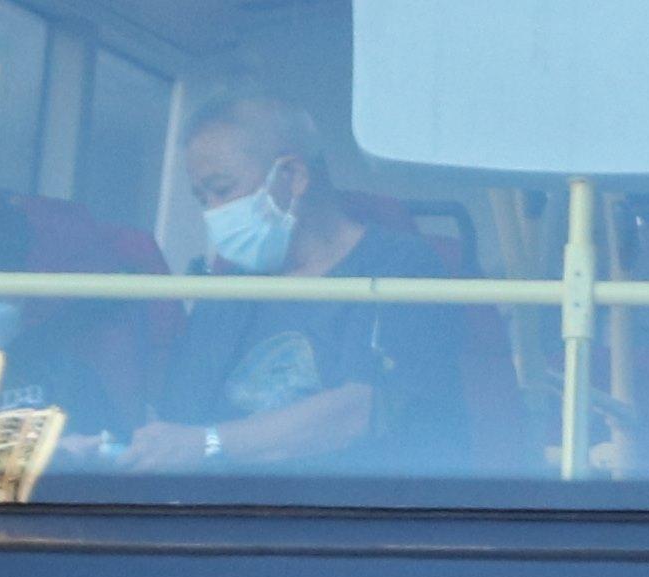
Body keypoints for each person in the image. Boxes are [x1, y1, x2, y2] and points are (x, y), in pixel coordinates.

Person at [124, 93, 466, 478]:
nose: (213, 213)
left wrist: (209, 445)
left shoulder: (401, 267)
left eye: (222, 189)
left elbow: (361, 411)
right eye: (203, 199)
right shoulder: (228, 290)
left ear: (293, 176)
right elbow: (181, 419)